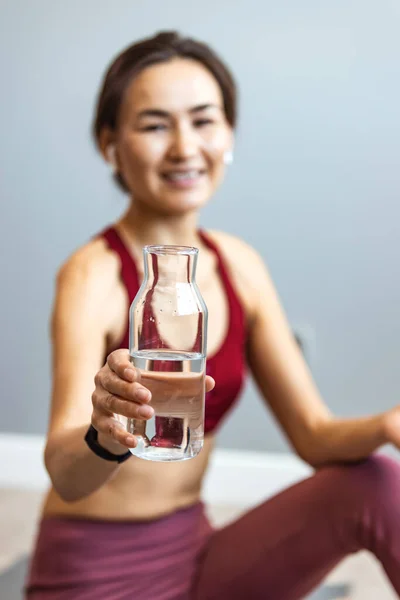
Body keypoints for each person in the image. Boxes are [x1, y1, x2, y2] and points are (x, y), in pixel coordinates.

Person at [25, 31, 400, 600]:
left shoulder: (240, 265)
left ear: (228, 133)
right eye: (154, 125)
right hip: (99, 565)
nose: (184, 148)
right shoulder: (92, 273)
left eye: (204, 120)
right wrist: (105, 434)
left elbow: (314, 435)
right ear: (110, 144)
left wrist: (386, 425)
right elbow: (66, 474)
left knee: (378, 482)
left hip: (198, 546)